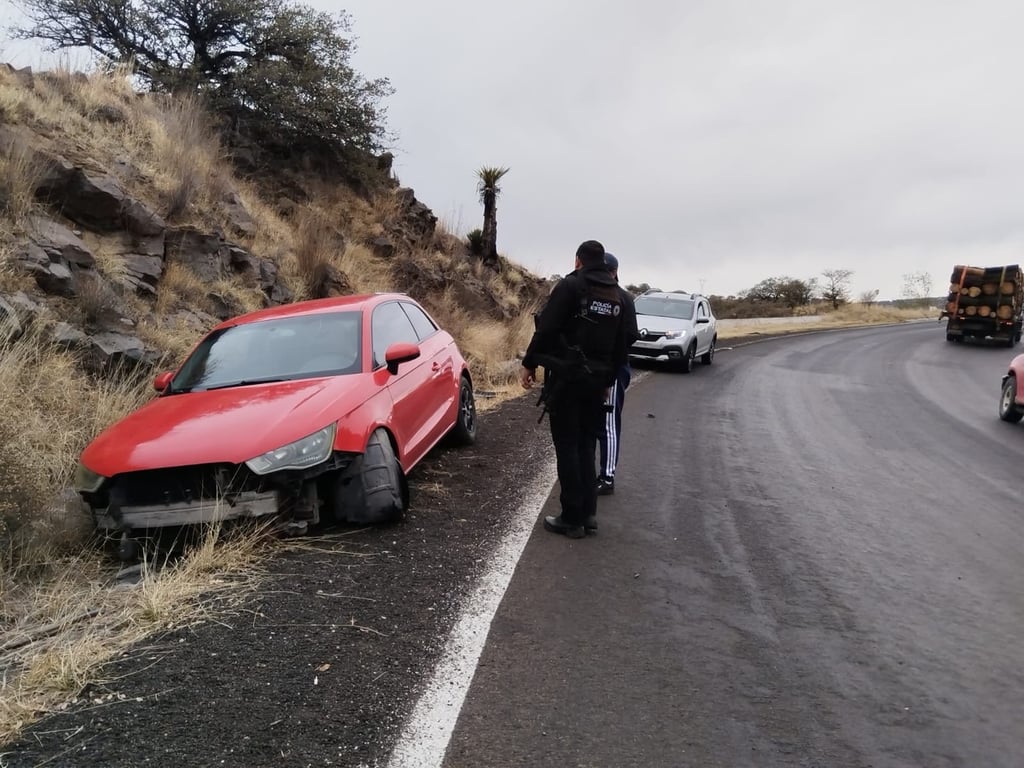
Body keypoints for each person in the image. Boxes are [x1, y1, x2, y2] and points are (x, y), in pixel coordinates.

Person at [520, 240, 628, 539]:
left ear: (578, 260)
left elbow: (547, 329)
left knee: (567, 446)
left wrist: (529, 363)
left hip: (568, 379)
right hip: (598, 383)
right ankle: (588, 514)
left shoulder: (571, 286)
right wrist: (609, 382)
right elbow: (623, 345)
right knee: (587, 445)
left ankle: (571, 517)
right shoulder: (618, 296)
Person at [597, 252, 638, 495]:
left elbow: (631, 335)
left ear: (612, 272)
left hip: (614, 369)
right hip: (600, 368)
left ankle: (607, 476)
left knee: (609, 423)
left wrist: (612, 354)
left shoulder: (623, 298)